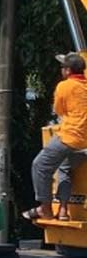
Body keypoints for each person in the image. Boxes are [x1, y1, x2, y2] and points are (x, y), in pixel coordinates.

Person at [24, 52, 87, 223]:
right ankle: (63, 210)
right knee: (64, 168)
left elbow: (59, 110)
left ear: (68, 71)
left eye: (62, 67)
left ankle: (45, 208)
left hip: (70, 136)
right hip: (84, 142)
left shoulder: (64, 86)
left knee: (40, 165)